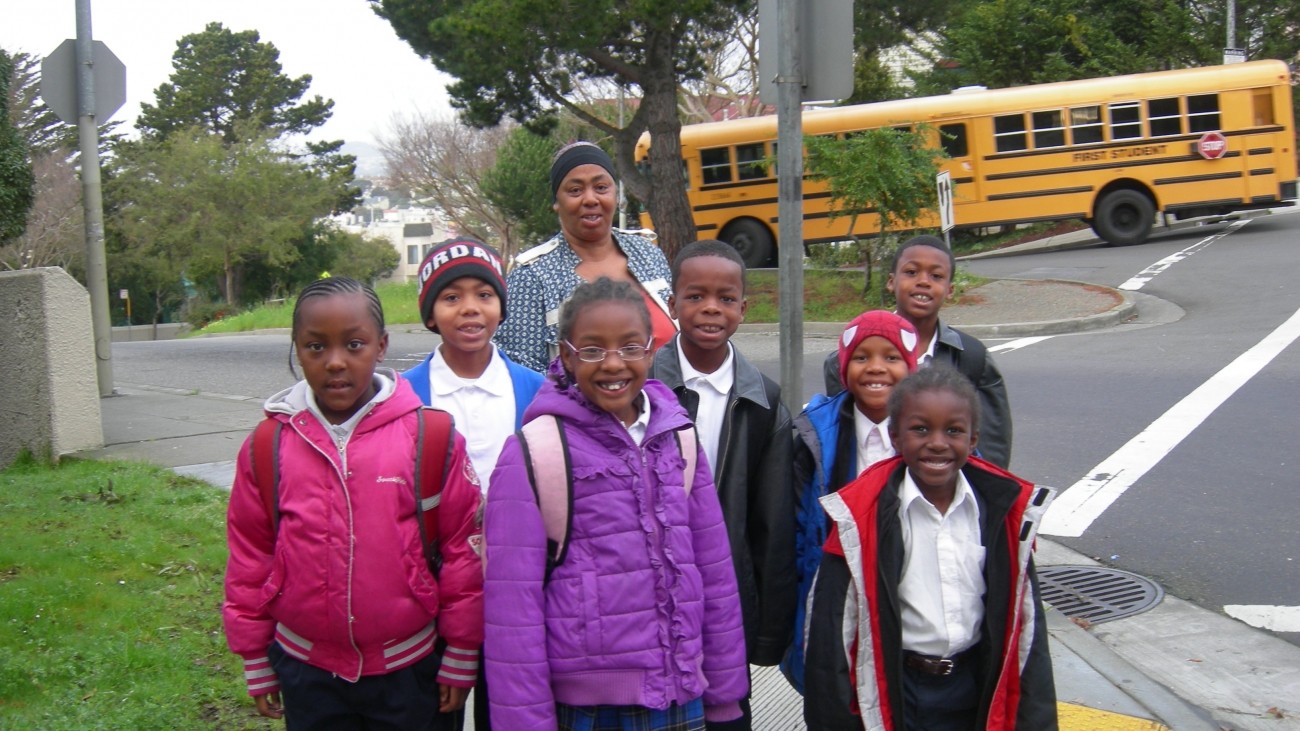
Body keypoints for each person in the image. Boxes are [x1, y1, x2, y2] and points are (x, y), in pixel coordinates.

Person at [483, 277, 750, 730]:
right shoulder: (537, 449)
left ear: (651, 350)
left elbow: (713, 568)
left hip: (678, 690)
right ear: (566, 355)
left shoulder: (678, 438)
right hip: (587, 705)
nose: (613, 364)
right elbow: (513, 607)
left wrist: (724, 690)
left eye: (630, 347)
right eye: (591, 350)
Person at [223, 277, 484, 729]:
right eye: (316, 347)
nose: (336, 362)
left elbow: (465, 551)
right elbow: (250, 555)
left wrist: (461, 649)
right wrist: (254, 654)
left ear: (381, 346)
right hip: (308, 674)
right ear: (297, 350)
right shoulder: (268, 446)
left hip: (412, 670)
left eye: (355, 344)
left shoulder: (431, 438)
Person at [803, 364, 1057, 730]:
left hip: (975, 683)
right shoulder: (859, 520)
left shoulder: (1004, 515)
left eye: (953, 431)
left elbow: (1029, 632)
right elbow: (830, 640)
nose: (937, 442)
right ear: (895, 436)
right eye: (920, 429)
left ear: (973, 440)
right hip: (900, 687)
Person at [399, 237, 544, 731]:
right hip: (433, 592)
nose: (469, 309)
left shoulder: (535, 390)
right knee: (434, 712)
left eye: (484, 294)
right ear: (430, 313)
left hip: (517, 587)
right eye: (451, 297)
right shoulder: (406, 398)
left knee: (508, 714)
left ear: (501, 305)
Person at [647, 241, 796, 689]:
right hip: (654, 585)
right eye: (695, 297)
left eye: (726, 299)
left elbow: (772, 522)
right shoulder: (642, 383)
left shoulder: (764, 400)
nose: (711, 309)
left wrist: (768, 632)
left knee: (725, 700)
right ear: (672, 305)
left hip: (724, 589)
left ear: (744, 308)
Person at [785, 309, 920, 695]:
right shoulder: (814, 435)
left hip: (905, 605)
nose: (876, 368)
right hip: (832, 602)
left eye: (891, 358)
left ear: (910, 367)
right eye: (862, 357)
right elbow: (794, 528)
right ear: (844, 368)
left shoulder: (929, 433)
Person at [820, 235, 1013, 468]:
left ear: (950, 289)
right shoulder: (848, 359)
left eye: (936, 276)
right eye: (911, 272)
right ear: (891, 281)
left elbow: (993, 446)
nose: (923, 281)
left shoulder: (970, 356)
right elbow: (837, 436)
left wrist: (985, 496)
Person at [494, 140, 677, 372]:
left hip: (671, 405)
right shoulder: (531, 277)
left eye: (601, 187)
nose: (590, 199)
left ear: (616, 194)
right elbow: (521, 375)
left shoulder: (648, 254)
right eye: (575, 190)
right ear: (556, 202)